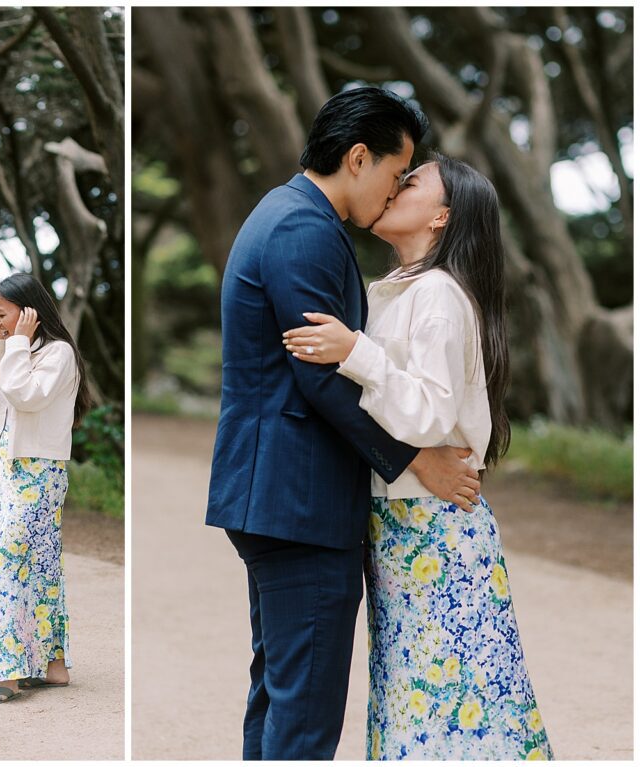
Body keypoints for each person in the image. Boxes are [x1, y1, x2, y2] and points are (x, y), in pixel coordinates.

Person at [205, 87, 482, 761]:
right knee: (303, 712)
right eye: (395, 175)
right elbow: (320, 375)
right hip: (298, 500)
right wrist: (418, 458)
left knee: (280, 693)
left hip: (279, 496)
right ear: (359, 157)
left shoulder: (288, 214)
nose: (392, 195)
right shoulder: (304, 229)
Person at [283, 154, 554, 760]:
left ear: (441, 217)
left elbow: (430, 414)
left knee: (458, 701)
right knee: (419, 696)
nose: (392, 187)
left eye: (411, 182)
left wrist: (355, 352)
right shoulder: (393, 290)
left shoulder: (438, 294)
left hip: (437, 528)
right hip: (403, 524)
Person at [0, 273, 90, 706]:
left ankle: (8, 671)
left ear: (29, 312)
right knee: (41, 564)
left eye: (2, 312)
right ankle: (53, 664)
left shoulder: (58, 354)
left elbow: (26, 396)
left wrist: (16, 344)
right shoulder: (14, 347)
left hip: (41, 472)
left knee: (7, 561)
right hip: (13, 469)